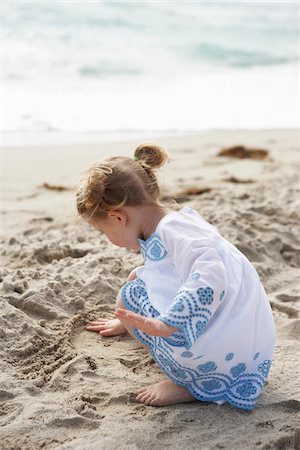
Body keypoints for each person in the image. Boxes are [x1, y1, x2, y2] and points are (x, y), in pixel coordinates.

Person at [76, 142, 276, 411]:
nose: (107, 238)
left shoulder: (173, 230)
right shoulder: (175, 222)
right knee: (138, 279)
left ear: (118, 218)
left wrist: (170, 323)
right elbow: (174, 270)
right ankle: (135, 326)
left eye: (103, 231)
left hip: (224, 349)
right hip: (247, 341)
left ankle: (190, 384)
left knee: (130, 293)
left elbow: (210, 275)